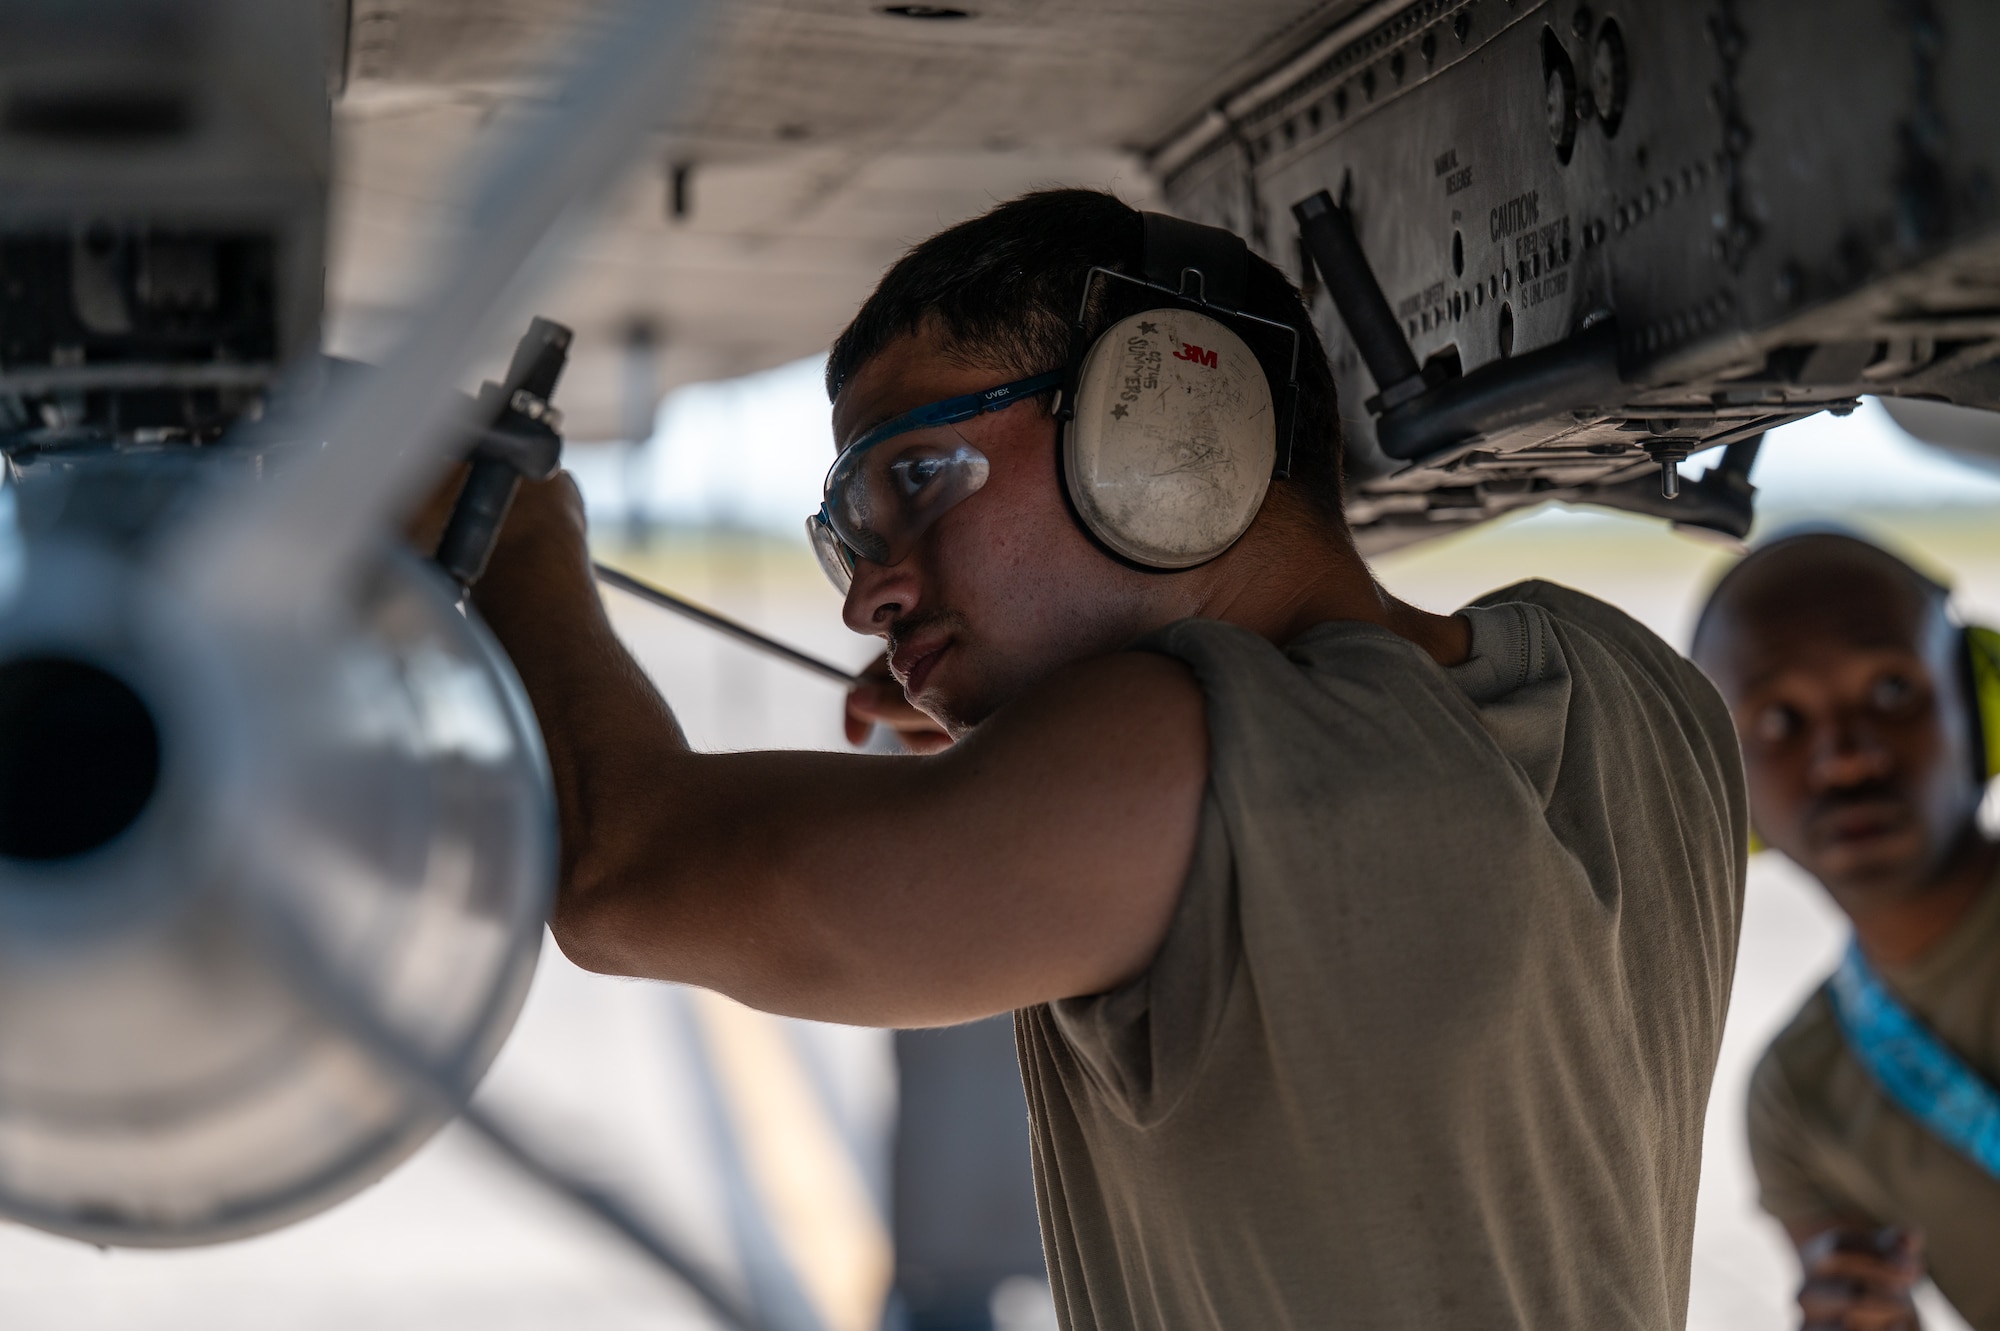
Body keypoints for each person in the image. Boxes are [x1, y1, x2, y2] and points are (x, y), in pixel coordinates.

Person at [453, 189, 1745, 1329]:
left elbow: (624, 869)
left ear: (1174, 411)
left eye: (920, 478)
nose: (868, 596)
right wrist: (1043, 742)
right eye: (853, 533)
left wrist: (514, 527)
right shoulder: (1643, 695)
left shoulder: (1177, 753)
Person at [1691, 532, 2000, 1331]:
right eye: (1781, 719)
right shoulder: (1796, 1101)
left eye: (1893, 690)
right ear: (1732, 790)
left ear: (1976, 704)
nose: (1845, 758)